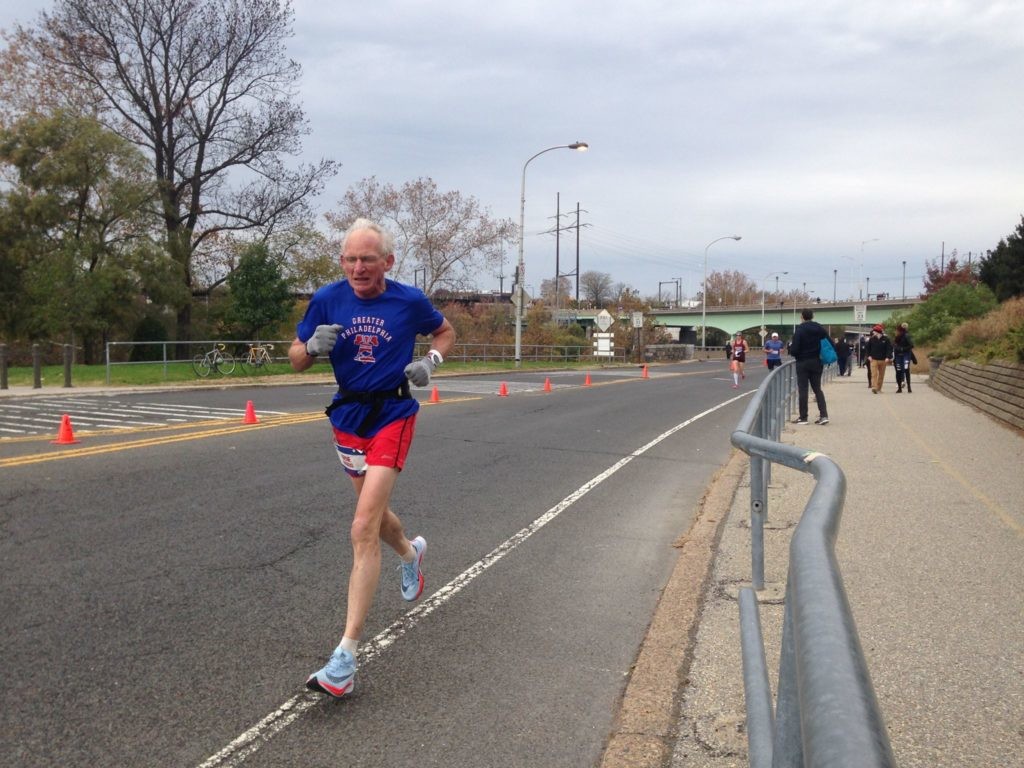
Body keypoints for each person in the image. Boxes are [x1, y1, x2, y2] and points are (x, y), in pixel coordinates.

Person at [289, 217, 456, 699]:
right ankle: (411, 553)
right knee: (376, 516)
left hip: (393, 414)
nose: (358, 268)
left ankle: (344, 660)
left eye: (367, 259)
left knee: (362, 527)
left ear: (388, 261)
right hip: (347, 415)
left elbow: (444, 332)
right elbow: (295, 356)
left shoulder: (408, 300)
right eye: (350, 259)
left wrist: (431, 362)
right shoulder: (327, 298)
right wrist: (309, 347)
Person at [787, 308, 829, 425]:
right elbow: (827, 342)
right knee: (817, 389)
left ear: (802, 317)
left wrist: (792, 350)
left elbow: (795, 349)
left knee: (803, 390)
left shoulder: (800, 329)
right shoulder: (819, 328)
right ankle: (824, 415)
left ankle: (803, 417)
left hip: (803, 362)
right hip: (816, 361)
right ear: (812, 316)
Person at [865, 323, 893, 394]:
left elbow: (889, 349)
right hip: (873, 359)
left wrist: (888, 357)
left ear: (878, 332)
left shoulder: (886, 339)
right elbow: (868, 348)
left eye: (874, 331)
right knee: (874, 374)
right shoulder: (871, 339)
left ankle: (879, 388)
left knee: (881, 375)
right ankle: (874, 387)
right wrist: (869, 356)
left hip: (883, 360)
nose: (873, 332)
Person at [892, 322, 916, 393]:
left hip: (906, 354)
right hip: (898, 356)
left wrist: (903, 349)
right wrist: (896, 349)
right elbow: (894, 345)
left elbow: (911, 345)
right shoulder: (897, 337)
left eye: (897, 330)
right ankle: (899, 388)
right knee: (898, 370)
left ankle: (909, 387)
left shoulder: (906, 336)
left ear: (900, 330)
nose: (896, 332)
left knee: (906, 369)